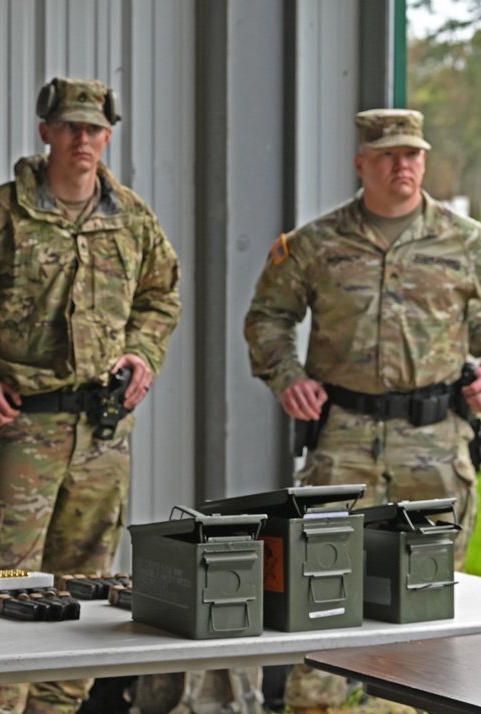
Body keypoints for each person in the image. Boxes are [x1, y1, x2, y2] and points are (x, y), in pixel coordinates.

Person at [0, 76, 182, 714]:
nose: (83, 139)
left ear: (108, 136)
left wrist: (143, 351)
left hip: (105, 431)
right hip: (28, 426)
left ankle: (58, 705)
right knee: (8, 579)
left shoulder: (131, 219)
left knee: (89, 580)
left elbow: (162, 295)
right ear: (45, 131)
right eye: (70, 127)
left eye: (94, 129)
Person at [244, 108, 481, 714]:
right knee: (323, 586)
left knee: (433, 598)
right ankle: (313, 707)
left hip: (434, 445)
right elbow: (267, 318)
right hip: (343, 440)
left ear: (424, 161)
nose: (402, 166)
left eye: (412, 154)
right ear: (361, 164)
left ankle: (417, 704)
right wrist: (286, 376)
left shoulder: (466, 241)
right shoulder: (316, 243)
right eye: (387, 155)